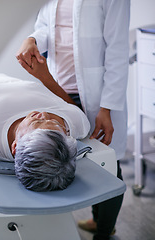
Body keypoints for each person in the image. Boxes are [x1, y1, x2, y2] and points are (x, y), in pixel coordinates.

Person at [16, 0, 130, 239]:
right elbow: (47, 28)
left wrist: (106, 108)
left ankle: (104, 230)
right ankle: (99, 219)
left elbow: (117, 50)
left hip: (97, 97)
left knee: (108, 164)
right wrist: (33, 39)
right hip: (58, 90)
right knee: (70, 157)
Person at [0, 67, 90, 191]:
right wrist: (44, 75)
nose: (44, 114)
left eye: (38, 121)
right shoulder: (77, 124)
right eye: (54, 122)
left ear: (15, 146)